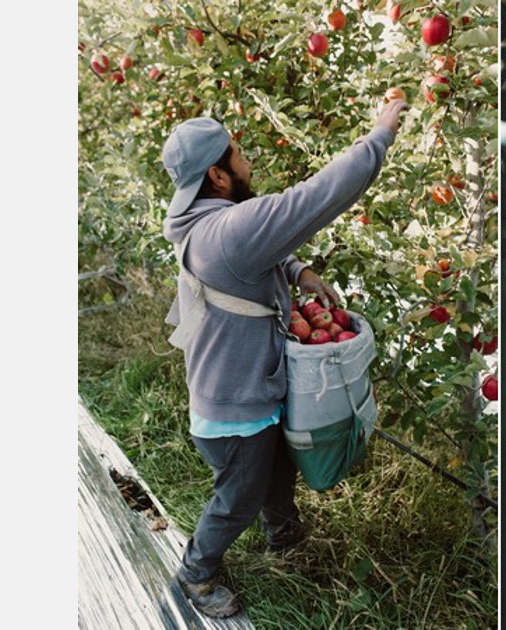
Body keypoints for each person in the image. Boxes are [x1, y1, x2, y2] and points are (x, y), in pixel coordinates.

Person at [159, 97, 409, 618]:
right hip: (235, 405)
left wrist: (296, 271)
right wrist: (379, 133)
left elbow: (256, 250)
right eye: (239, 153)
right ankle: (196, 573)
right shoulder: (230, 233)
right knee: (238, 498)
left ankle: (285, 535)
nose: (247, 160)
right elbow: (314, 197)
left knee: (276, 466)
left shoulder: (202, 222)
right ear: (218, 175)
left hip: (239, 386)